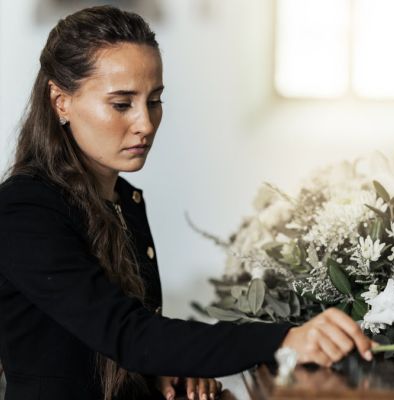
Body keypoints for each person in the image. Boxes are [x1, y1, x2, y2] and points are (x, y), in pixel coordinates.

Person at [0, 5, 374, 400]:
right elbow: (127, 333)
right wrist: (285, 338)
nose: (145, 123)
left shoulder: (122, 198)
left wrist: (164, 371)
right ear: (61, 101)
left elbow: (116, 343)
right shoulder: (24, 210)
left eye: (155, 100)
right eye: (122, 104)